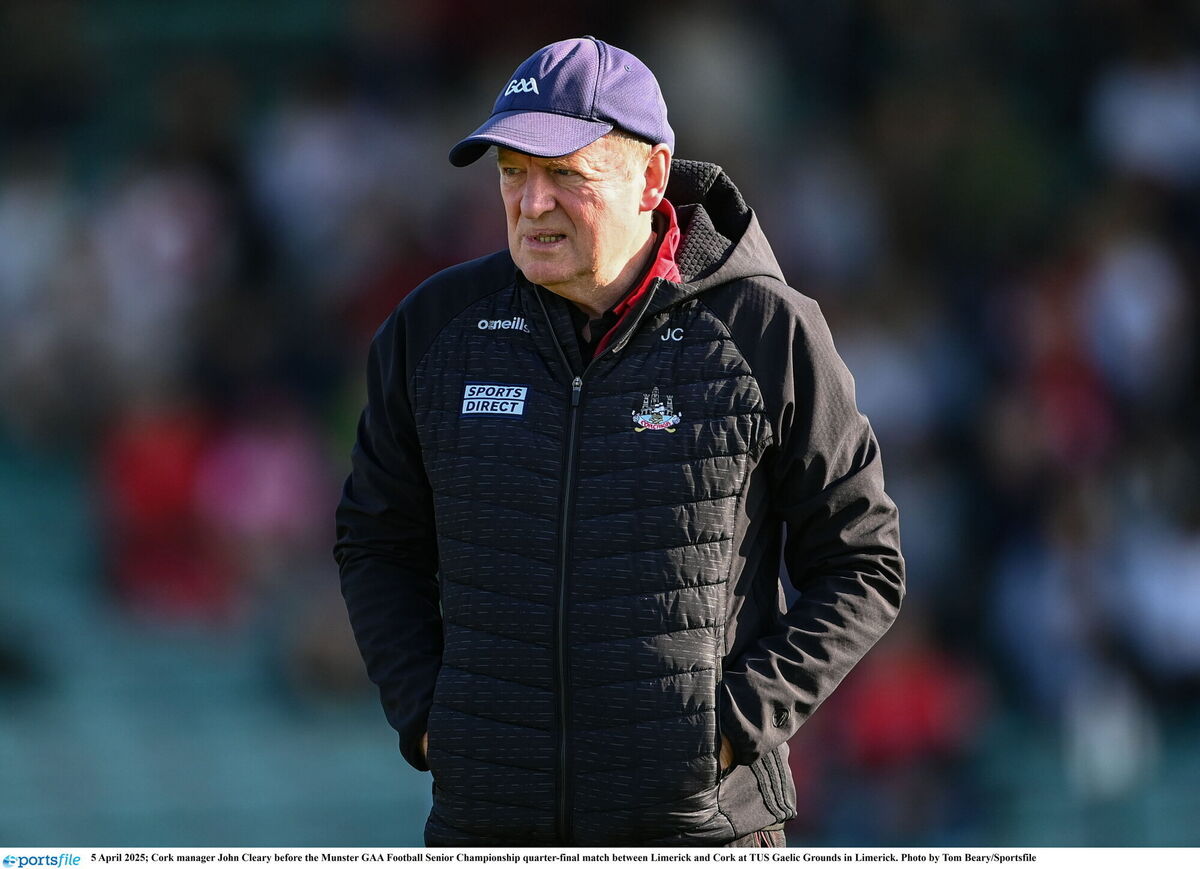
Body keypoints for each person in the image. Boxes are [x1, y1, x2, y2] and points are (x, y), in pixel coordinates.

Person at [334, 36, 905, 847]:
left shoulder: (766, 330)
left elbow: (864, 563)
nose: (532, 204)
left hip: (703, 832)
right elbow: (373, 539)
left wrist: (732, 727)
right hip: (485, 827)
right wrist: (431, 718)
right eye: (512, 173)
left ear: (652, 177)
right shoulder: (431, 331)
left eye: (565, 175)